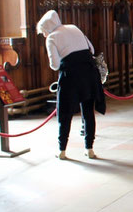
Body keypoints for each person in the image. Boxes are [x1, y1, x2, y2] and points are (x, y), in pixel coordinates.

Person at [37, 10, 106, 160]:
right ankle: (89, 149)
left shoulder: (51, 38)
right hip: (89, 73)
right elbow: (91, 49)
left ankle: (62, 150)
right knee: (88, 113)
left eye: (43, 32)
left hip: (71, 77)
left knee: (65, 113)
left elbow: (55, 65)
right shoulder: (73, 27)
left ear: (47, 28)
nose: (43, 35)